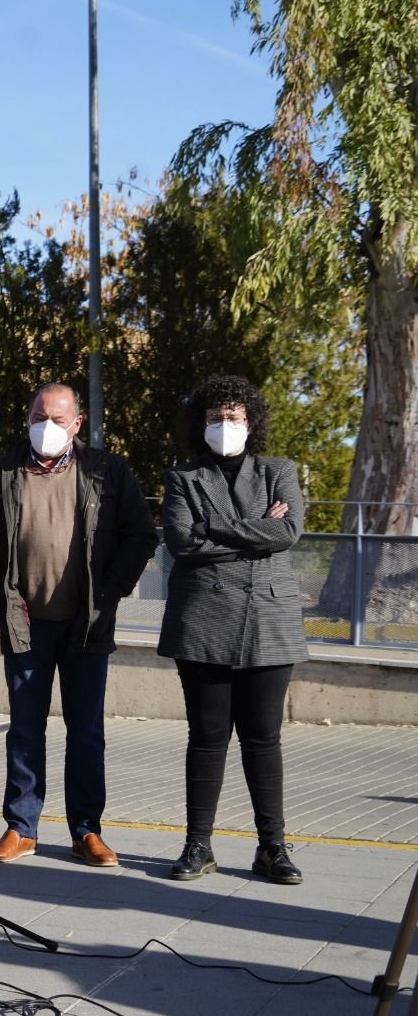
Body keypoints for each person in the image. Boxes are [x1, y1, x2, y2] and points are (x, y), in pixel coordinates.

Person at [0, 383, 158, 868]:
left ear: (77, 424)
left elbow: (141, 535)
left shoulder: (106, 471)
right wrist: (3, 598)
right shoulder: (0, 473)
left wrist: (108, 594)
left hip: (86, 624)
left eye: (57, 418)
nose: (46, 426)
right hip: (26, 623)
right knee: (25, 729)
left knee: (86, 731)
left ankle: (86, 830)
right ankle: (21, 827)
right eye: (38, 416)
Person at [160, 374, 308, 885]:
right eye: (216, 418)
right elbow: (182, 542)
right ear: (200, 424)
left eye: (236, 418)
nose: (226, 426)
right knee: (207, 736)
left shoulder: (278, 470)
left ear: (252, 423)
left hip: (270, 620)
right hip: (202, 620)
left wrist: (215, 527)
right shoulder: (183, 476)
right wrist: (256, 532)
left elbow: (288, 532)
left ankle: (274, 847)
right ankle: (197, 844)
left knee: (263, 738)